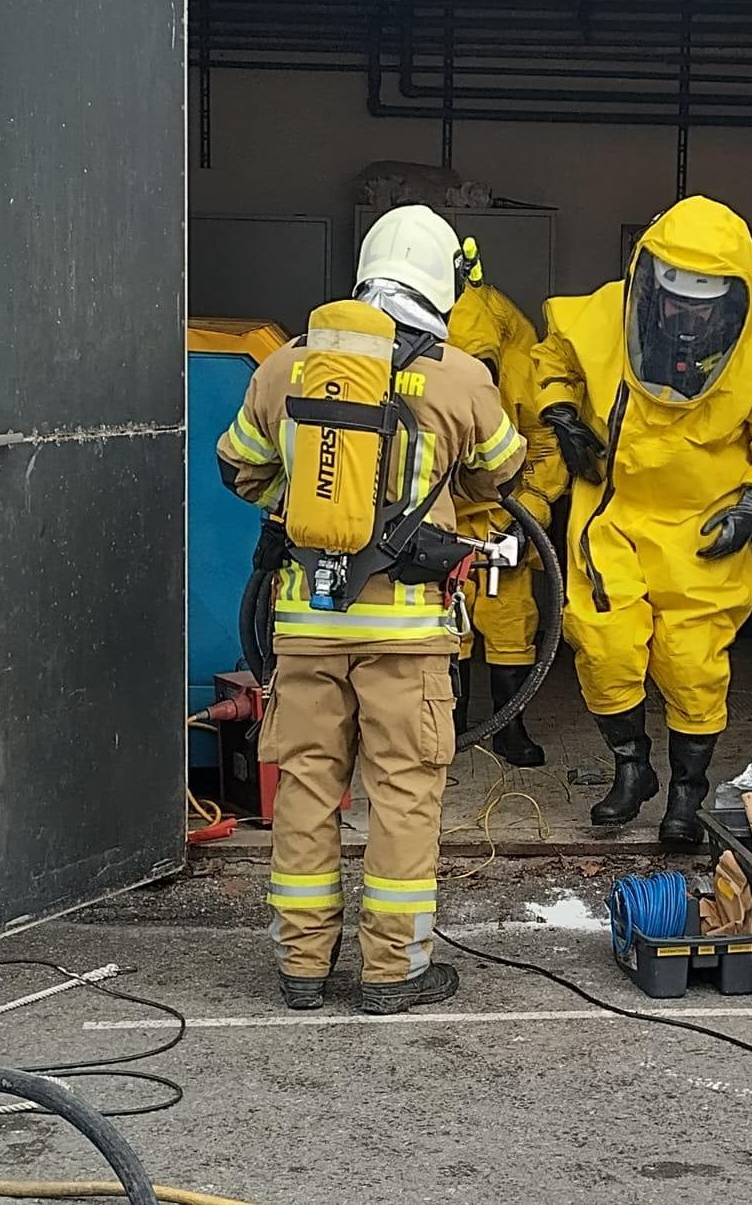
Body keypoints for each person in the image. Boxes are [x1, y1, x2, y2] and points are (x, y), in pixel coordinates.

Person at [217, 205, 526, 1013]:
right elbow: (504, 472)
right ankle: (394, 971)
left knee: (308, 791)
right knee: (403, 797)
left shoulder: (286, 366)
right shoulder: (460, 376)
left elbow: (238, 468)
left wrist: (314, 495)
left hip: (305, 626)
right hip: (410, 636)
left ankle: (302, 968)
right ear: (440, 282)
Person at [533, 196, 752, 845]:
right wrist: (562, 414)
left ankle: (686, 798)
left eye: (703, 302)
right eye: (674, 298)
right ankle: (632, 770)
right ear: (647, 284)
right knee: (605, 647)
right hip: (615, 520)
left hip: (702, 530)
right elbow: (553, 362)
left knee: (692, 667)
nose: (685, 315)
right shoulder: (601, 317)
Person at [448, 276, 568, 766]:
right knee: (444, 623)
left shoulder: (522, 369)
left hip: (504, 512)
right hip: (443, 514)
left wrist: (529, 517)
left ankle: (508, 726)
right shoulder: (419, 359)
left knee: (511, 621)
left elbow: (547, 449)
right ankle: (447, 727)